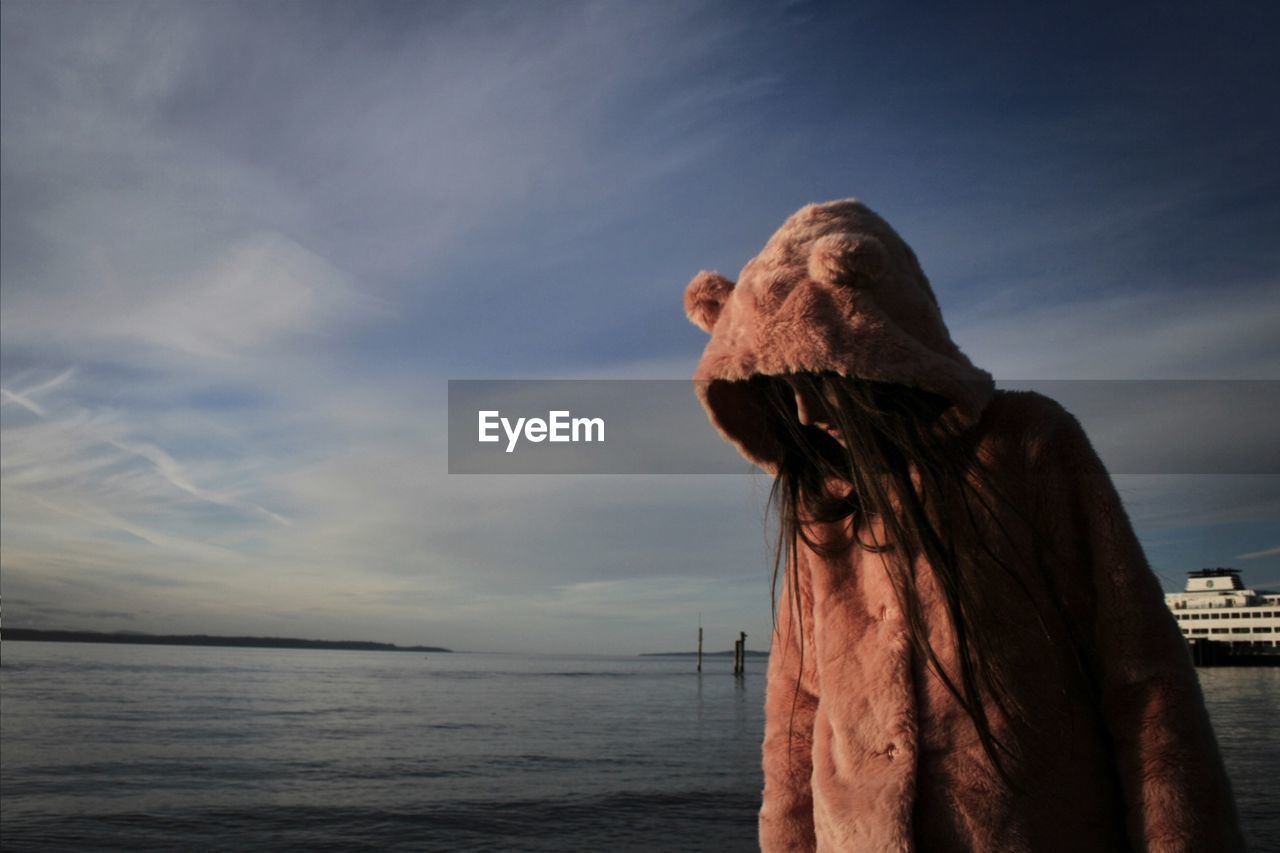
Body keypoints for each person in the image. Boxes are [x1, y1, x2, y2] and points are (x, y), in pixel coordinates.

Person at [681, 199, 1244, 852]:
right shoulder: (823, 504)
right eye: (782, 390)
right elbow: (795, 725)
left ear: (877, 346)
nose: (805, 412)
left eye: (820, 378)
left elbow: (1143, 683)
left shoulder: (1028, 444)